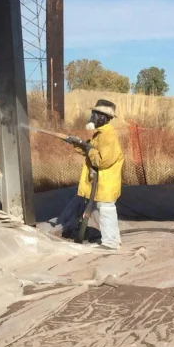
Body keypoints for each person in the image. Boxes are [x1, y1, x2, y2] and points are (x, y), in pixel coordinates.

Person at [58, 99, 124, 250]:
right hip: (103, 182)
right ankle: (115, 239)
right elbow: (89, 149)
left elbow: (102, 160)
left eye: (95, 114)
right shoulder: (100, 135)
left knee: (106, 211)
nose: (92, 116)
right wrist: (76, 143)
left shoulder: (108, 136)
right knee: (106, 210)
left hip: (106, 183)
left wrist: (89, 150)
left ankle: (111, 243)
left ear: (103, 117)